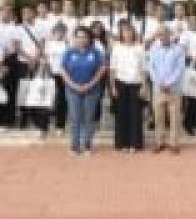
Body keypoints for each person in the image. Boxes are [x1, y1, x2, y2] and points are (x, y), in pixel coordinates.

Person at [60, 26, 106, 156]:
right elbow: (63, 70)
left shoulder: (96, 52)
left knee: (88, 118)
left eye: (84, 36)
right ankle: (74, 146)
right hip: (72, 89)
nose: (81, 39)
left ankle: (87, 145)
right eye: (79, 36)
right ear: (74, 38)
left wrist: (89, 84)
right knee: (74, 118)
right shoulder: (69, 52)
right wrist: (74, 85)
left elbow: (101, 69)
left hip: (92, 90)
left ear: (89, 38)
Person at [109, 21, 147, 152]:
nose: (128, 34)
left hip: (136, 84)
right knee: (121, 114)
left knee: (136, 115)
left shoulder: (140, 48)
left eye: (130, 31)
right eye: (125, 32)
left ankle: (135, 144)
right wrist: (113, 87)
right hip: (120, 83)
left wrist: (143, 85)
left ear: (133, 33)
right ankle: (122, 143)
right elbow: (112, 69)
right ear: (121, 34)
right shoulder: (116, 47)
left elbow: (143, 68)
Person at [148, 26, 186, 154]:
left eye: (165, 34)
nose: (163, 37)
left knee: (174, 117)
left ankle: (174, 143)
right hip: (158, 88)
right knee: (158, 117)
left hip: (174, 89)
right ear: (158, 36)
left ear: (170, 35)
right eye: (160, 35)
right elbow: (151, 67)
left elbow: (180, 69)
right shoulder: (153, 49)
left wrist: (169, 83)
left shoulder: (178, 50)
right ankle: (160, 142)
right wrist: (159, 83)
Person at [0, 4, 26, 128]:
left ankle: (10, 119)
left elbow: (18, 45)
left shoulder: (16, 28)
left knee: (12, 89)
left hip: (12, 59)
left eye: (9, 11)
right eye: (4, 11)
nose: (6, 14)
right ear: (0, 13)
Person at [44, 23, 69, 136]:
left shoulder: (67, 44)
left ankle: (60, 125)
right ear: (53, 33)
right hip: (50, 74)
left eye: (62, 31)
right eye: (58, 31)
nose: (60, 34)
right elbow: (46, 59)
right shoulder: (49, 44)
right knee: (48, 100)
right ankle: (44, 125)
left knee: (62, 100)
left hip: (63, 75)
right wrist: (47, 72)